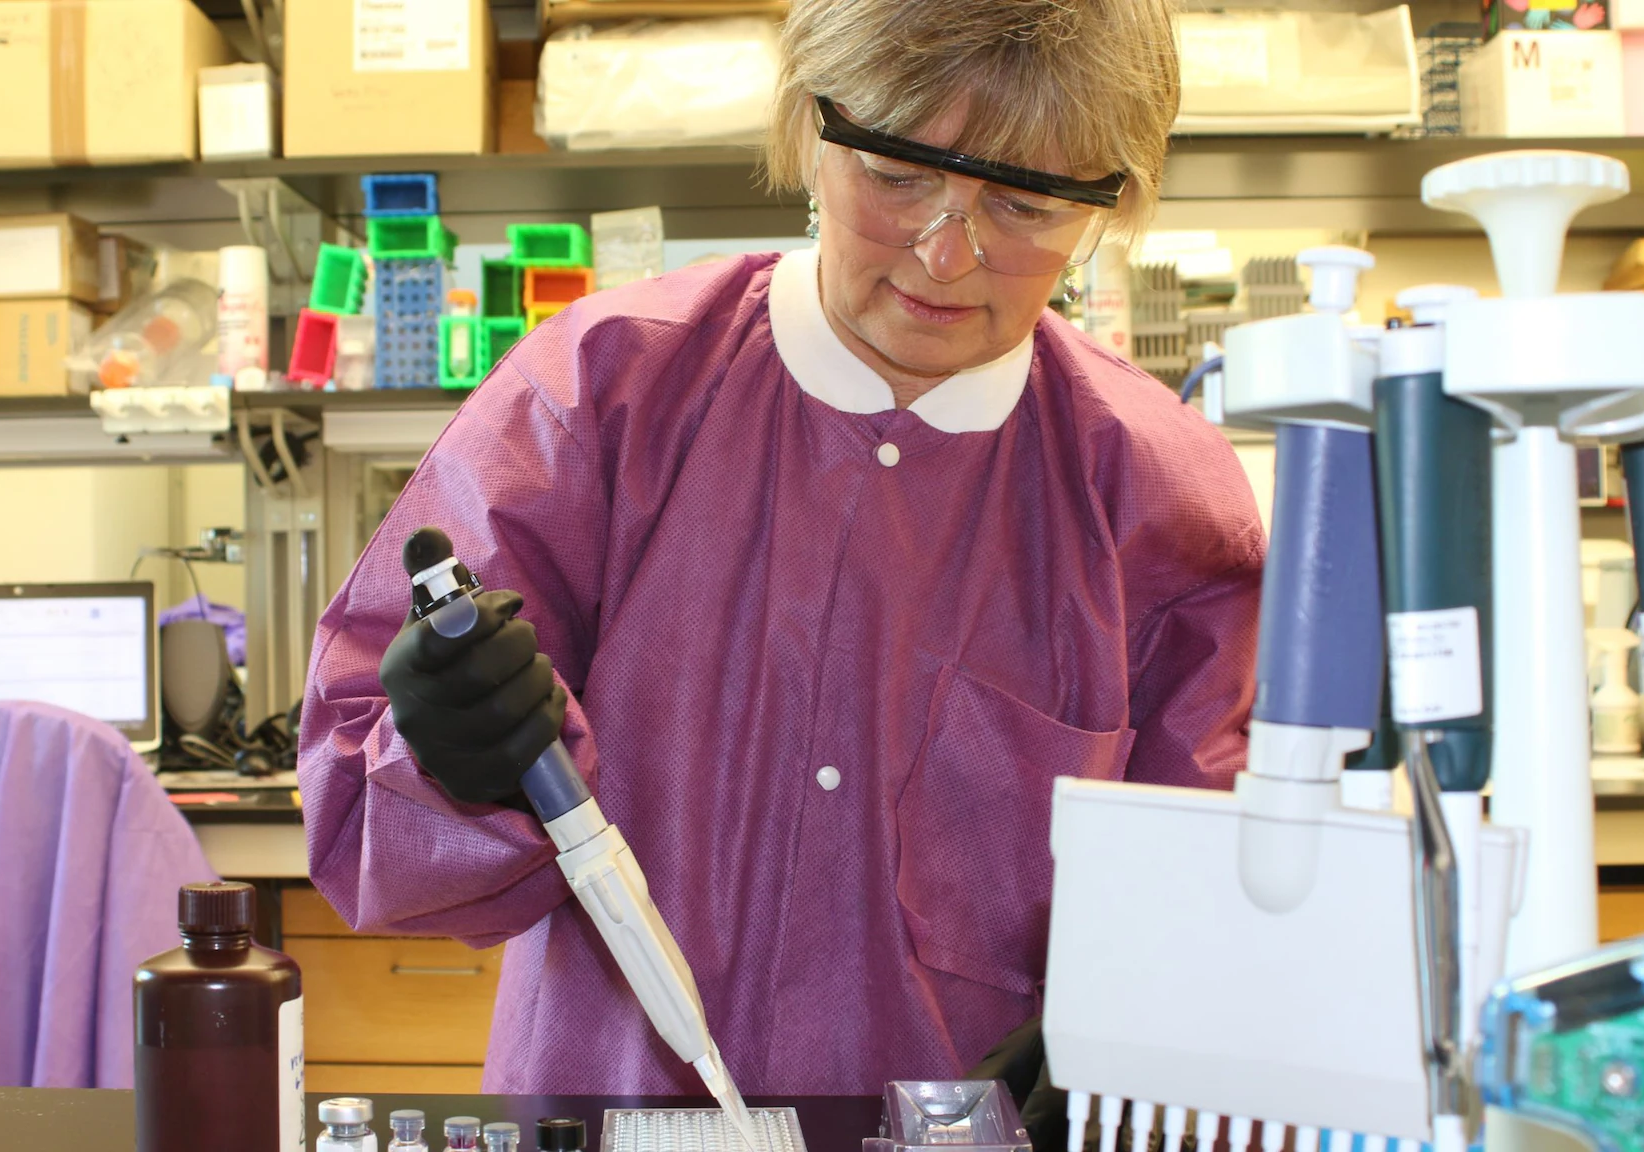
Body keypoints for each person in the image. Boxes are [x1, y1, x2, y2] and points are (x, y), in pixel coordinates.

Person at [299, 0, 1263, 1133]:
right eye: (898, 175)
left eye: (1024, 204)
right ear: (810, 130)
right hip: (609, 1117)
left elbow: (1217, 891)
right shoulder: (597, 396)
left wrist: (1136, 1026)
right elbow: (362, 837)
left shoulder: (1153, 498)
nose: (947, 255)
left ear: (1114, 204)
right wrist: (444, 754)